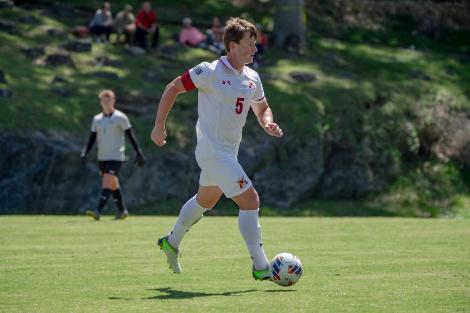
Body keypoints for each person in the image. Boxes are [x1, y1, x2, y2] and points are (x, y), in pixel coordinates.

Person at [151, 17, 283, 281]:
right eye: (249, 44)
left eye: (255, 44)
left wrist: (267, 122)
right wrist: (158, 126)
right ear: (232, 46)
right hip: (213, 152)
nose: (255, 50)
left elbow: (262, 107)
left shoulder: (252, 77)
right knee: (250, 200)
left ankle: (172, 241)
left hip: (228, 153)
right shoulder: (209, 71)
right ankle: (261, 266)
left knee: (206, 200)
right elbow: (173, 88)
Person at [81, 90, 146, 221]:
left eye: (109, 100)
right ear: (101, 102)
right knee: (113, 184)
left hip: (116, 156)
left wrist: (138, 152)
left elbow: (130, 136)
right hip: (102, 157)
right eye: (104, 100)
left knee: (107, 181)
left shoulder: (120, 117)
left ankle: (97, 211)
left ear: (113, 101)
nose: (106, 103)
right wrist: (85, 152)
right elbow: (92, 138)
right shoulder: (97, 119)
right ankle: (123, 211)